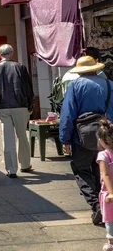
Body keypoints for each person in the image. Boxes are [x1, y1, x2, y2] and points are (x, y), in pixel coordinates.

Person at [60, 56, 113, 226]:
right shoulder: (109, 85)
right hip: (107, 135)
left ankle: (96, 205)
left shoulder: (75, 85)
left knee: (81, 170)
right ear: (95, 68)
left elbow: (68, 114)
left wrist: (65, 138)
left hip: (81, 137)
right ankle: (104, 205)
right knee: (102, 170)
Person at [0, 44, 34, 178]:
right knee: (22, 136)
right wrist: (30, 104)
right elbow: (28, 88)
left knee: (7, 139)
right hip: (20, 106)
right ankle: (25, 164)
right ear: (11, 53)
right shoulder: (21, 67)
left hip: (2, 107)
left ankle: (11, 169)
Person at [97, 119, 113, 249]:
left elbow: (105, 175)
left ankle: (111, 242)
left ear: (103, 141)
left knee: (110, 219)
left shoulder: (103, 155)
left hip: (109, 194)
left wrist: (111, 192)